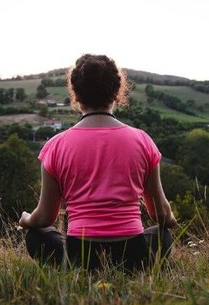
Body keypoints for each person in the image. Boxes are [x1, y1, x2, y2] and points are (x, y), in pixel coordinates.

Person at [19, 54, 177, 272]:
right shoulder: (143, 140)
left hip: (80, 257)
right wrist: (169, 218)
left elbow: (45, 217)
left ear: (75, 94)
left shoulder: (56, 146)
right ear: (116, 92)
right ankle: (133, 269)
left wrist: (26, 220)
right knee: (163, 235)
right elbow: (160, 214)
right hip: (134, 257)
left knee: (36, 235)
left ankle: (74, 269)